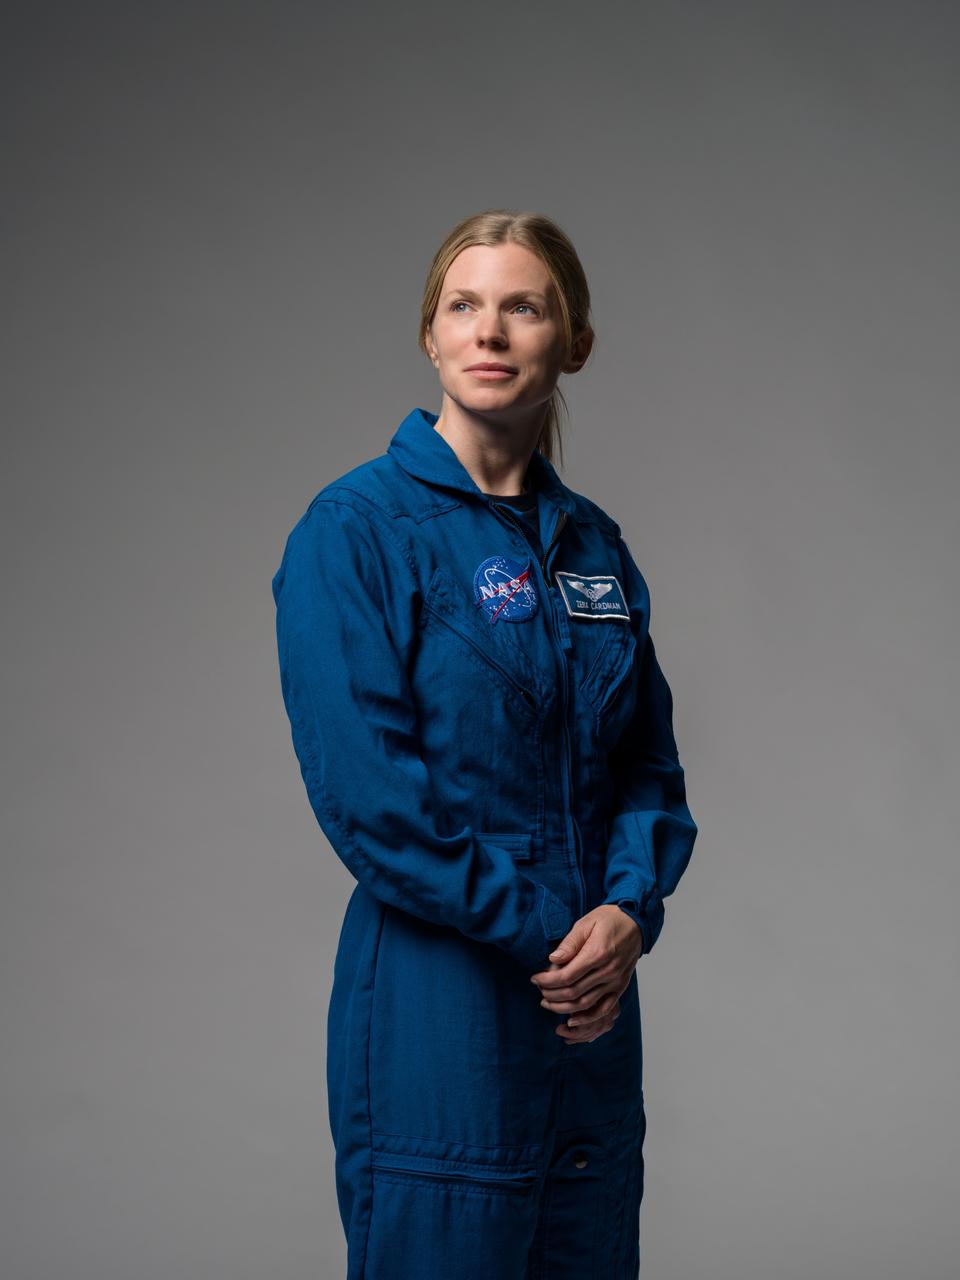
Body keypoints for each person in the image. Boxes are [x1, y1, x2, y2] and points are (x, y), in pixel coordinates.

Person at [271, 209, 698, 1279]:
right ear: (431, 336)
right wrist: (554, 933)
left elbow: (647, 768)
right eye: (463, 306)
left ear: (575, 343)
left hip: (590, 1006)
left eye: (524, 307)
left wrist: (628, 911)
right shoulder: (355, 531)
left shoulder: (593, 545)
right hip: (444, 1006)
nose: (490, 331)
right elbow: (372, 802)